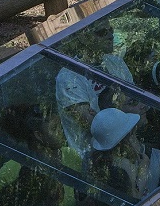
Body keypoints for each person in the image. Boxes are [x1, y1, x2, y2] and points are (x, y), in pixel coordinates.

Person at [55, 24, 141, 159]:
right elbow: (93, 124)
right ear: (83, 38)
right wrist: (124, 106)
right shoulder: (69, 77)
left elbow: (136, 102)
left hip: (130, 139)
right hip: (93, 154)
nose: (109, 35)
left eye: (111, 29)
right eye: (101, 32)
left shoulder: (115, 62)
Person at [90, 108, 160, 198]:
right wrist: (144, 169)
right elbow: (133, 198)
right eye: (132, 134)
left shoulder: (94, 160)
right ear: (127, 138)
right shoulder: (123, 164)